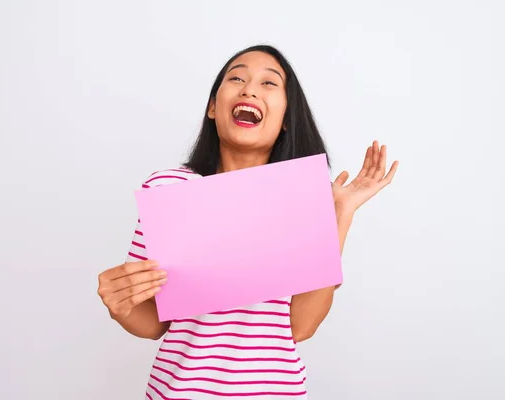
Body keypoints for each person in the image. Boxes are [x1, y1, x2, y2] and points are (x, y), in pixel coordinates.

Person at [97, 44, 398, 399]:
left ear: (287, 117)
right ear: (213, 107)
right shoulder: (169, 188)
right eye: (236, 77)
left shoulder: (302, 198)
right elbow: (154, 323)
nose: (249, 89)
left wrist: (339, 214)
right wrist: (120, 305)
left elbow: (300, 326)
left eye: (269, 84)